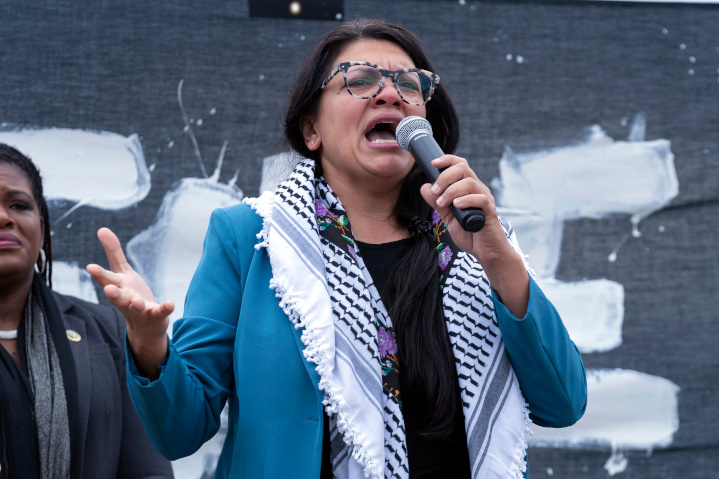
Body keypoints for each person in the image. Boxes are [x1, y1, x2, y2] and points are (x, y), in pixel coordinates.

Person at [87, 18, 587, 479]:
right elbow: (179, 431)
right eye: (361, 79)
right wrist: (150, 343)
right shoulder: (251, 236)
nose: (391, 93)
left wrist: (499, 258)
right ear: (311, 130)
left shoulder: (475, 237)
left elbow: (562, 404)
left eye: (411, 84)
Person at [0, 143, 174, 479]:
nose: (3, 217)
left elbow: (147, 468)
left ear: (41, 225)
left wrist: (151, 347)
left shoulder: (103, 327)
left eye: (18, 205)